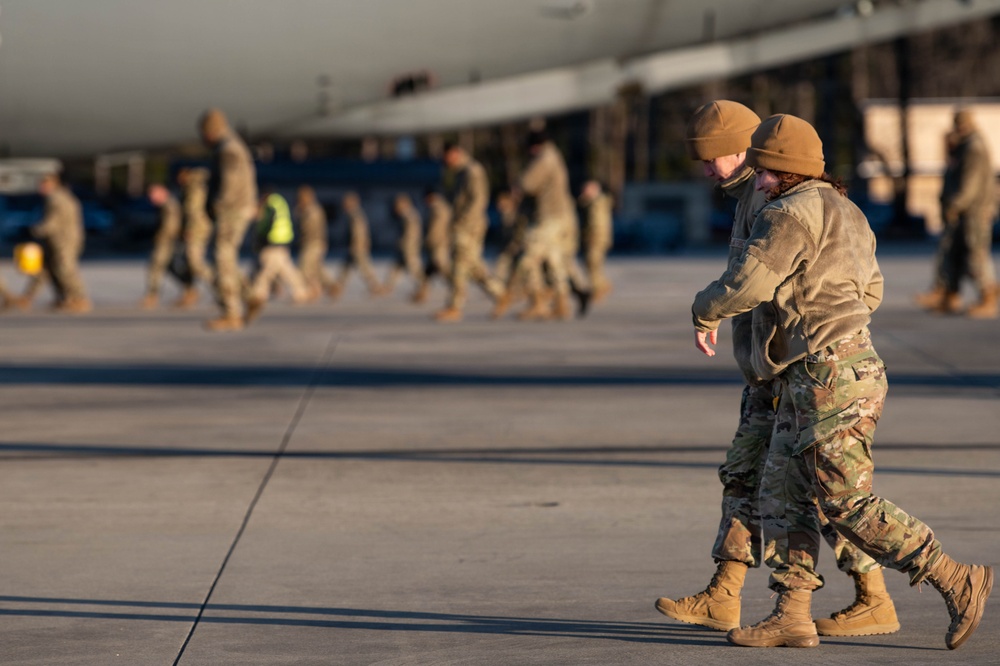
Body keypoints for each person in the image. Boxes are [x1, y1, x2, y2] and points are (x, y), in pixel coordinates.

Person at [692, 113, 992, 650]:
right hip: (826, 367)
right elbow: (871, 291)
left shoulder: (790, 214)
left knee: (847, 502)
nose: (756, 181)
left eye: (763, 170)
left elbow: (748, 284)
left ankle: (954, 577)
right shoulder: (845, 210)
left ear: (785, 170)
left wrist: (704, 310)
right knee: (783, 490)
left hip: (832, 374)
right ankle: (791, 614)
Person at [656, 101, 896, 640]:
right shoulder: (755, 197)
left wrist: (709, 311)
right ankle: (725, 591)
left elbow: (756, 283)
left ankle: (873, 593)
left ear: (742, 151)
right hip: (769, 370)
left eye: (711, 158)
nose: (704, 169)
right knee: (744, 473)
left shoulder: (782, 202)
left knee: (816, 485)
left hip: (797, 367)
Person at [915, 109, 997, 319]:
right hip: (966, 210)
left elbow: (971, 184)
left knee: (976, 254)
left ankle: (988, 297)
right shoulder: (963, 146)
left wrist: (955, 204)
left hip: (975, 211)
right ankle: (949, 296)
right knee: (955, 252)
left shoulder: (973, 147)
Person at [506, 130, 576, 321]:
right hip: (556, 216)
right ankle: (562, 303)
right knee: (554, 259)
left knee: (528, 257)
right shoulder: (554, 156)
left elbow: (528, 183)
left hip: (547, 217)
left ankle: (537, 303)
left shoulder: (545, 159)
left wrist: (516, 185)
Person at [200, 108, 257, 332]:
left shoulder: (228, 149)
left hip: (232, 212)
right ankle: (250, 296)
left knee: (222, 258)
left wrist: (218, 206)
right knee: (228, 258)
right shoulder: (233, 145)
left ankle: (231, 313)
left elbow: (230, 183)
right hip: (237, 209)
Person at [434, 143, 504, 322]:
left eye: (447, 156)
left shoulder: (472, 170)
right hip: (464, 224)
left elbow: (478, 199)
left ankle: (454, 306)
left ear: (456, 153)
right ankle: (501, 294)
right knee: (472, 265)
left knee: (459, 263)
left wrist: (465, 222)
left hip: (470, 225)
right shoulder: (459, 172)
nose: (445, 160)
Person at [12, 173, 91, 313]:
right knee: (48, 269)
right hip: (58, 240)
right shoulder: (61, 197)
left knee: (64, 269)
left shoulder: (56, 199)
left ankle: (79, 298)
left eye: (42, 185)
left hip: (64, 240)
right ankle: (61, 298)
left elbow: (52, 222)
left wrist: (35, 230)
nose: (40, 189)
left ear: (51, 184)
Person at [245, 191, 309, 323]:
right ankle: (301, 291)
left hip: (272, 241)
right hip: (283, 240)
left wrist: (260, 237)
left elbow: (265, 224)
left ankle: (259, 294)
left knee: (266, 271)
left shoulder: (270, 205)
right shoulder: (280, 202)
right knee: (286, 270)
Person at [141, 184, 187, 309]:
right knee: (171, 267)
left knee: (156, 265)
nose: (151, 198)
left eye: (153, 194)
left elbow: (171, 227)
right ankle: (189, 289)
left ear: (162, 192)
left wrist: (161, 239)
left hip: (167, 241)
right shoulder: (166, 205)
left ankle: (152, 295)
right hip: (169, 240)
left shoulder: (170, 205)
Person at [175, 167, 215, 309]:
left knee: (195, 263)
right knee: (187, 263)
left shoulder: (195, 189)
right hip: (197, 228)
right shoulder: (191, 188)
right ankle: (190, 292)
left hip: (198, 230)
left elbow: (194, 212)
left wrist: (190, 229)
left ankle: (220, 287)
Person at [332, 192, 382, 297]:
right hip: (357, 246)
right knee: (346, 268)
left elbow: (358, 231)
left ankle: (375, 286)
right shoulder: (354, 214)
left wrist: (356, 244)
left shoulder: (355, 215)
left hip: (357, 247)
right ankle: (338, 287)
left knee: (364, 268)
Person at [294, 185, 337, 301]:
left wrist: (300, 215)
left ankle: (313, 290)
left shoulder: (311, 210)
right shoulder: (313, 209)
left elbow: (309, 228)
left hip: (312, 243)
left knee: (305, 268)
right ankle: (330, 285)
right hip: (315, 243)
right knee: (317, 268)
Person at [413, 188, 452, 304]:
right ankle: (422, 292)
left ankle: (457, 288)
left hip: (439, 243)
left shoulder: (438, 208)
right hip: (437, 242)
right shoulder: (439, 207)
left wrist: (429, 239)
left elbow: (437, 227)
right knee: (428, 271)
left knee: (441, 267)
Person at [578, 180, 614, 303]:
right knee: (592, 264)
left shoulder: (597, 204)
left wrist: (593, 237)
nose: (584, 192)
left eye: (587, 189)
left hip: (596, 238)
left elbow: (597, 224)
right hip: (597, 238)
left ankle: (599, 288)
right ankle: (600, 287)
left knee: (593, 264)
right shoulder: (595, 203)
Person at [383, 193, 424, 297]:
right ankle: (388, 286)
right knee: (396, 267)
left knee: (414, 268)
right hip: (406, 246)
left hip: (409, 247)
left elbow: (411, 233)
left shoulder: (409, 215)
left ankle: (423, 287)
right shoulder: (408, 214)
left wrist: (405, 244)